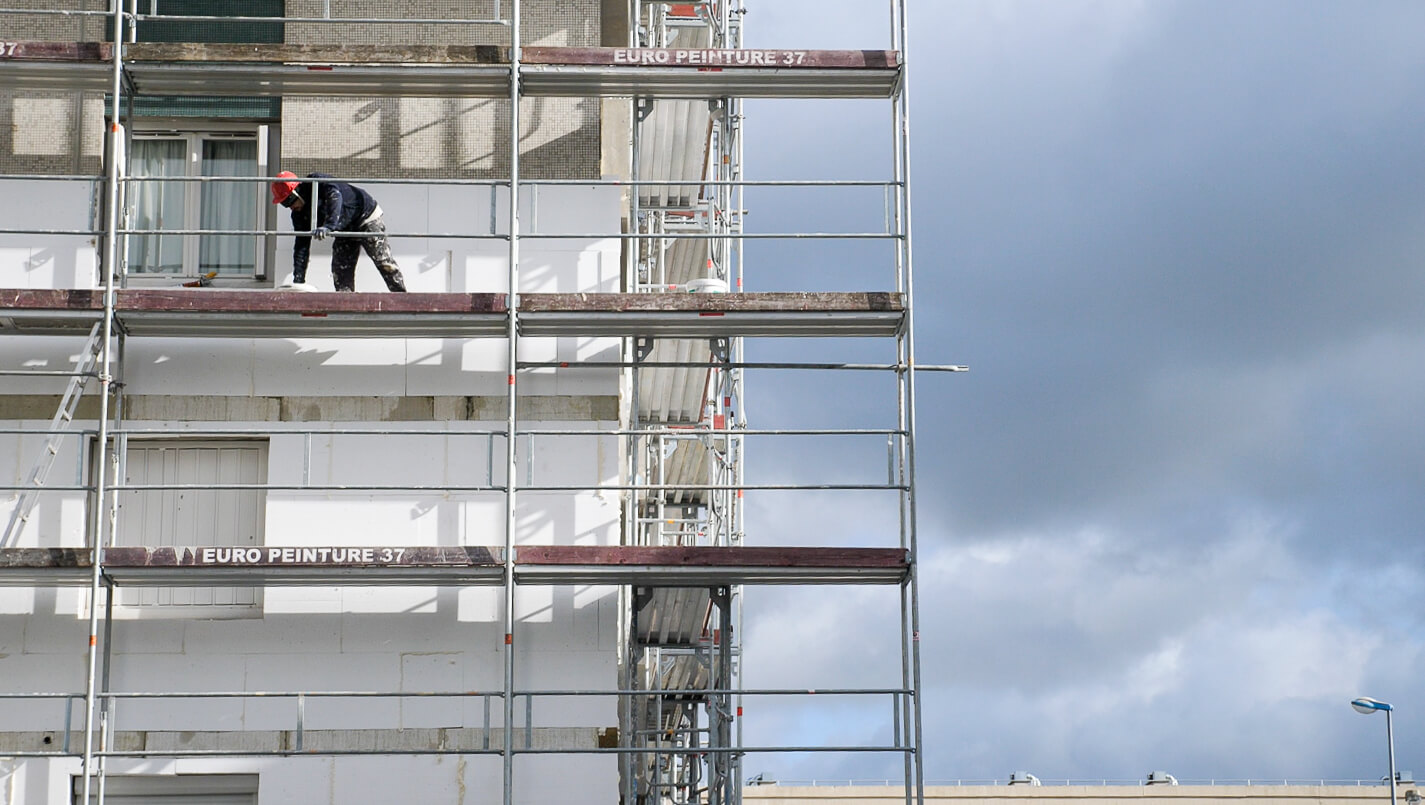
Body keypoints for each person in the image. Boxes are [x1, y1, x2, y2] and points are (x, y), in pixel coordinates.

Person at [270, 170, 407, 292]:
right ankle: (346, 305)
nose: (290, 207)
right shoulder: (299, 214)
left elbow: (335, 196)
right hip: (344, 227)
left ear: (296, 192)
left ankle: (402, 299)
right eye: (284, 204)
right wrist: (298, 281)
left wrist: (329, 226)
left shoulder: (318, 182)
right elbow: (302, 245)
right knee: (341, 269)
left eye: (288, 201)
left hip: (365, 216)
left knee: (383, 260)